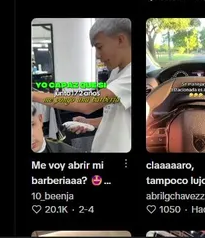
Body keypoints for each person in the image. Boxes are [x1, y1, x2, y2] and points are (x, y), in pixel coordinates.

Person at [31, 18, 133, 152]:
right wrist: (89, 122)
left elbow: (87, 103)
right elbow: (117, 115)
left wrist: (34, 95)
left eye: (99, 47)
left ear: (120, 40)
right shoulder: (116, 71)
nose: (97, 55)